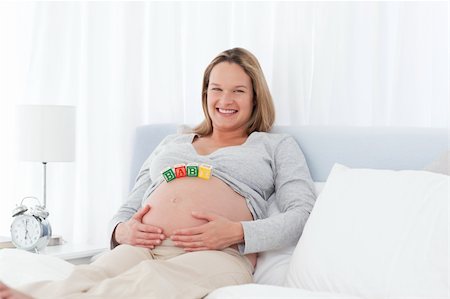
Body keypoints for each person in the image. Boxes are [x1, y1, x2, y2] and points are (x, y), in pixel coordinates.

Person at [0, 47, 316, 299]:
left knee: (148, 283)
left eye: (238, 91)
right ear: (205, 93)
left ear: (255, 97)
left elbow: (301, 214)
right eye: (216, 88)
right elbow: (129, 206)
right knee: (89, 274)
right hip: (143, 247)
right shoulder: (172, 142)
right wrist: (119, 232)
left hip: (216, 254)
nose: (225, 100)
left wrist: (239, 233)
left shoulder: (274, 146)